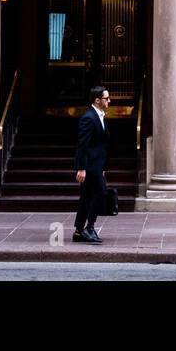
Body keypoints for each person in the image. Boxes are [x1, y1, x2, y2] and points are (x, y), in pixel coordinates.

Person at [72, 86, 111, 244]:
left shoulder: (101, 116)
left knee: (87, 197)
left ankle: (79, 231)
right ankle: (89, 227)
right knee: (100, 194)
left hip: (97, 166)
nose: (109, 101)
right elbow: (83, 145)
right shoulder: (89, 118)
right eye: (106, 98)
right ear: (97, 100)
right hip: (89, 167)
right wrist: (81, 168)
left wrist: (102, 168)